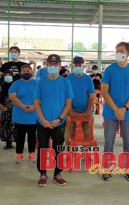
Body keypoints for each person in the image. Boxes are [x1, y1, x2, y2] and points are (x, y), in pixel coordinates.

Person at [101, 42, 129, 182]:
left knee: (128, 142)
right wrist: (116, 109)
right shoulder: (109, 70)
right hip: (111, 112)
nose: (118, 53)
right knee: (108, 142)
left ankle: (128, 169)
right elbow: (105, 91)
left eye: (121, 51)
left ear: (128, 53)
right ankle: (107, 168)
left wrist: (124, 108)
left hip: (128, 112)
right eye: (116, 51)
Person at [34, 54, 73, 187]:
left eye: (55, 64)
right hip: (42, 122)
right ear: (46, 65)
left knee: (59, 148)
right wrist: (43, 120)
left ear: (60, 65)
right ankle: (43, 173)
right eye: (50, 64)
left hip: (59, 122)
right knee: (43, 148)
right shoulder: (41, 82)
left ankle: (57, 173)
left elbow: (68, 104)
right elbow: (37, 103)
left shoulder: (65, 82)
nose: (53, 66)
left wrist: (59, 119)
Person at [9, 64, 38, 163]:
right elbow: (12, 97)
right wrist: (23, 106)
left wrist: (34, 106)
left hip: (33, 115)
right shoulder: (16, 84)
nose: (26, 73)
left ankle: (31, 153)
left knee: (32, 136)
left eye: (28, 71)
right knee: (20, 136)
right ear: (21, 73)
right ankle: (19, 154)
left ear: (31, 72)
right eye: (24, 71)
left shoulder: (36, 84)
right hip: (20, 115)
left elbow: (41, 97)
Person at [66, 56, 95, 145]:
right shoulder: (68, 79)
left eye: (80, 65)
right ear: (73, 66)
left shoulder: (88, 79)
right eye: (76, 65)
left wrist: (87, 111)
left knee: (87, 135)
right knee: (69, 135)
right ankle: (69, 155)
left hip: (87, 112)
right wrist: (71, 110)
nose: (78, 67)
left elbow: (91, 96)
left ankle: (86, 156)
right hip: (71, 111)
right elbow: (67, 96)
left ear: (84, 66)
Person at [0, 71, 16, 149]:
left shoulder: (15, 86)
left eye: (9, 75)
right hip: (4, 111)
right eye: (6, 75)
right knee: (5, 126)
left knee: (14, 126)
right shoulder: (2, 86)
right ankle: (8, 143)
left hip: (14, 110)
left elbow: (17, 98)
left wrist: (8, 107)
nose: (7, 77)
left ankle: (18, 144)